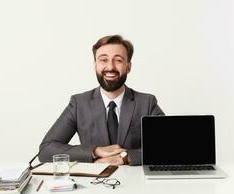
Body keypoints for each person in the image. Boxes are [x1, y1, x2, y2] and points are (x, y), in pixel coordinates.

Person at [38, 35, 164, 166]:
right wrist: (95, 151)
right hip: (93, 183)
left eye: (118, 60)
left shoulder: (147, 102)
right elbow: (46, 149)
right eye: (103, 60)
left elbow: (171, 147)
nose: (110, 67)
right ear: (95, 65)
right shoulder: (79, 103)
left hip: (137, 182)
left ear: (128, 66)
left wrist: (125, 157)